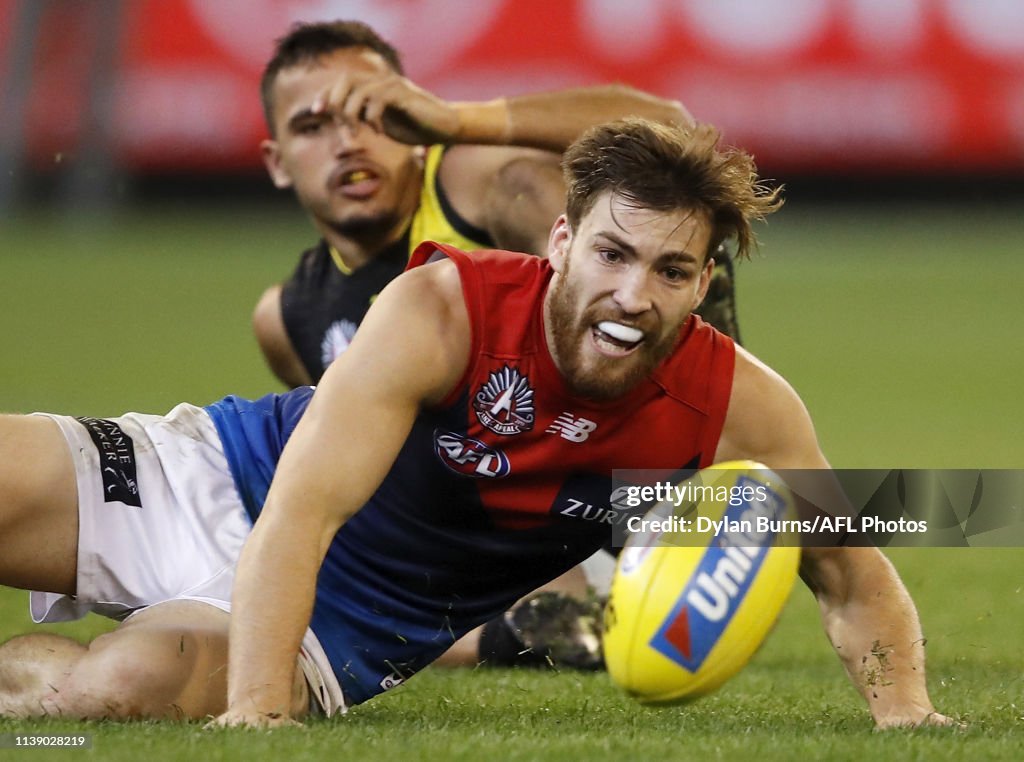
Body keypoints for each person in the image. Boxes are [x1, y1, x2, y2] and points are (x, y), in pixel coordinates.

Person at [0, 119, 951, 729]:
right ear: (561, 242)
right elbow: (300, 513)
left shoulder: (740, 405)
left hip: (342, 625)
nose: (633, 294)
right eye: (613, 253)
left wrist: (907, 716)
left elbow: (852, 573)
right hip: (224, 474)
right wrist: (260, 721)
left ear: (705, 285)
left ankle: (36, 683)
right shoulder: (443, 308)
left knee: (115, 693)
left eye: (671, 271)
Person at [251, 20, 740, 389]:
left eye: (368, 111)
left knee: (527, 184)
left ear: (411, 124)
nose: (348, 144)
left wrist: (456, 120)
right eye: (313, 127)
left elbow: (677, 131)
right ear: (277, 163)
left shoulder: (474, 184)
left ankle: (696, 373)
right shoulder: (288, 319)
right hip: (471, 510)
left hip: (615, 456)